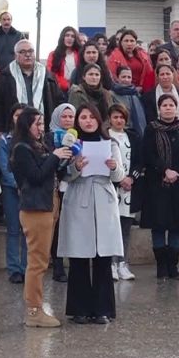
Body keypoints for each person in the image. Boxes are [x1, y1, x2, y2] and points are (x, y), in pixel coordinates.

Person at [58, 104, 124, 324]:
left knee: (103, 256)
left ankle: (103, 308)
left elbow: (118, 175)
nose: (87, 121)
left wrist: (113, 167)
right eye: (83, 117)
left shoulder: (110, 143)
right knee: (79, 255)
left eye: (91, 117)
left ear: (98, 119)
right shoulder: (72, 144)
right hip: (79, 196)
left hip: (103, 197)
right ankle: (79, 309)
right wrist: (76, 166)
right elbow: (64, 175)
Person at [10, 107, 70, 328]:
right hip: (35, 209)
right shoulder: (21, 148)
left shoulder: (38, 145)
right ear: (27, 125)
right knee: (37, 262)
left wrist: (62, 158)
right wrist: (54, 156)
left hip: (48, 204)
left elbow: (50, 171)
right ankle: (34, 310)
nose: (42, 128)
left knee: (41, 260)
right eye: (38, 123)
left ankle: (37, 306)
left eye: (43, 123)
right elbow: (36, 176)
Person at [133, 94, 179, 279]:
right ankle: (161, 266)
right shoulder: (151, 129)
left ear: (176, 108)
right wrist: (165, 170)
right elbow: (148, 155)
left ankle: (173, 267)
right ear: (159, 109)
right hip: (156, 183)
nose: (168, 108)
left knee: (176, 227)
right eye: (164, 105)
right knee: (158, 227)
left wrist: (177, 172)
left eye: (171, 105)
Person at [0, 39, 60, 133]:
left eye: (30, 51)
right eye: (22, 52)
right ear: (15, 55)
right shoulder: (5, 77)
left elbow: (57, 102)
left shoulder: (47, 76)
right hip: (14, 131)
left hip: (43, 129)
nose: (27, 55)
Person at [0, 103, 28, 284]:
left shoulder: (34, 137)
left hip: (30, 188)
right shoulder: (5, 140)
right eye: (17, 115)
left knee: (28, 230)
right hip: (11, 189)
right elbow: (4, 166)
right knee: (13, 230)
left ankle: (26, 267)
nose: (20, 119)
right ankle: (14, 268)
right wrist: (16, 183)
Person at [108, 104, 140, 280]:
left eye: (121, 117)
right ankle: (111, 263)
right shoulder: (105, 136)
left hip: (129, 190)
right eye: (115, 117)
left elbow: (139, 160)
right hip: (112, 188)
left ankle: (123, 263)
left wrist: (130, 178)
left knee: (126, 229)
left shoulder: (133, 137)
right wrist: (118, 179)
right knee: (112, 228)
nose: (119, 120)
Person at [46, 102, 75, 283]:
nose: (67, 120)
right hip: (56, 186)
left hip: (75, 186)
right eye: (64, 116)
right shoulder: (49, 137)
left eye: (71, 117)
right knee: (57, 227)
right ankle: (57, 266)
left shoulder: (79, 138)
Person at [110, 65, 146, 137]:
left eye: (129, 77)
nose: (126, 80)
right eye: (123, 77)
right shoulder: (112, 94)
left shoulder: (136, 94)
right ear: (117, 78)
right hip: (120, 131)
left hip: (135, 133)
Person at [46, 26, 82, 93]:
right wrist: (65, 85)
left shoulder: (80, 54)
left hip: (78, 89)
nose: (69, 38)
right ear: (63, 37)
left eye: (72, 36)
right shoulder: (53, 54)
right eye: (67, 35)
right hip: (59, 90)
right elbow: (50, 72)